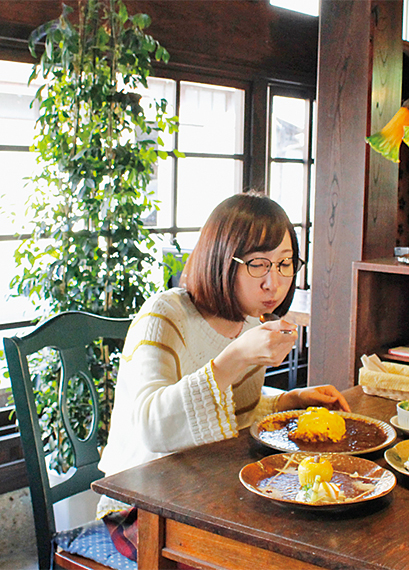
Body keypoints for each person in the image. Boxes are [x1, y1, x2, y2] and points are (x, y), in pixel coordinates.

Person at [95, 193, 349, 560]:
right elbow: (152, 426)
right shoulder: (164, 316)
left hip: (205, 492)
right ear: (221, 258)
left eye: (284, 264)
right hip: (140, 506)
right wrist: (234, 359)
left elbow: (228, 412)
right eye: (259, 265)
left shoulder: (249, 322)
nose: (273, 283)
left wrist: (286, 401)